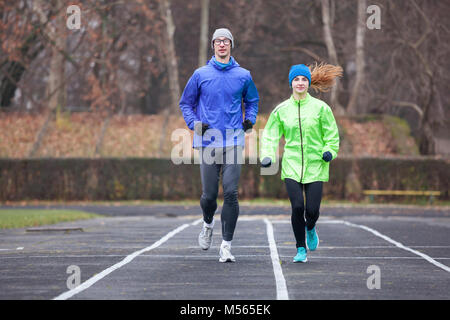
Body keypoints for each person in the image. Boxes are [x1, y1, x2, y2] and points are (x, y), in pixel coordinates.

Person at [179, 28, 259, 262]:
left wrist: (250, 119)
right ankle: (207, 223)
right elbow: (186, 103)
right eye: (218, 41)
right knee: (209, 196)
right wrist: (194, 123)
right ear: (213, 45)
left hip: (234, 140)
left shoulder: (243, 75)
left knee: (232, 193)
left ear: (231, 45)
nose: (222, 45)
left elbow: (252, 101)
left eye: (226, 41)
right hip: (207, 141)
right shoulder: (200, 74)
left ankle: (226, 245)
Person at [260, 63, 342, 263]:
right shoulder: (281, 110)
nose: (300, 83)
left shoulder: (321, 108)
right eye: (296, 79)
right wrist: (267, 155)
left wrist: (329, 151)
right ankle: (300, 249)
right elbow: (270, 135)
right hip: (292, 165)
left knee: (311, 211)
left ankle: (311, 227)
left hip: (316, 164)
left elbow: (332, 134)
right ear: (291, 82)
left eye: (304, 79)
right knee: (297, 207)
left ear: (308, 83)